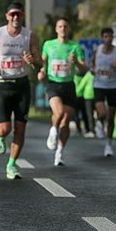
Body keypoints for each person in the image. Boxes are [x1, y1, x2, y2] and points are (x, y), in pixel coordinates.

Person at [0, 2, 41, 180]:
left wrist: (32, 61)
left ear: (22, 16)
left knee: (20, 128)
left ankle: (11, 165)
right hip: (2, 85)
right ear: (7, 16)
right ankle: (0, 136)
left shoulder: (29, 36)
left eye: (18, 15)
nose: (15, 18)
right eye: (12, 15)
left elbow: (39, 63)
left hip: (22, 85)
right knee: (4, 129)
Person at [39, 17, 86, 166]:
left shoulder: (75, 46)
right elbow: (43, 62)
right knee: (58, 113)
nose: (63, 29)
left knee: (65, 123)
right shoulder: (48, 45)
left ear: (69, 29)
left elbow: (84, 69)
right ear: (56, 29)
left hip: (69, 86)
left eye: (66, 26)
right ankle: (53, 130)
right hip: (54, 84)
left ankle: (59, 152)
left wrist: (76, 62)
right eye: (60, 26)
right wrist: (41, 72)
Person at [91, 27, 116, 157]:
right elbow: (92, 63)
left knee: (111, 116)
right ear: (102, 38)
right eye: (106, 36)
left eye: (110, 36)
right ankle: (99, 121)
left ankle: (108, 144)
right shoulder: (97, 49)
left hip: (112, 86)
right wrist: (92, 69)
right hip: (99, 84)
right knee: (102, 112)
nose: (108, 39)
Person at [75, 70, 95, 137]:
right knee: (88, 114)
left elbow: (81, 85)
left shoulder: (88, 75)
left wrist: (75, 94)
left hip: (87, 96)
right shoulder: (96, 74)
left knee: (87, 114)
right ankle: (90, 129)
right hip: (96, 95)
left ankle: (88, 130)